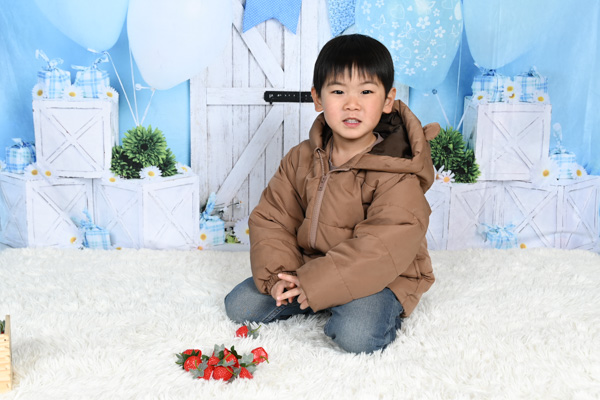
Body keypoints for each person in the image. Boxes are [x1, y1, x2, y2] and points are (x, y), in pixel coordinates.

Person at [225, 34, 440, 354]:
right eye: (338, 91)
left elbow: (382, 246)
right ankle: (320, 294)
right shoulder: (301, 158)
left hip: (380, 276)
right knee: (241, 304)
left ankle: (337, 299)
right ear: (318, 98)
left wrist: (316, 284)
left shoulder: (397, 169)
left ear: (387, 100)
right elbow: (274, 218)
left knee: (356, 334)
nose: (352, 104)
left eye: (366, 92)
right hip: (311, 263)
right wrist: (283, 275)